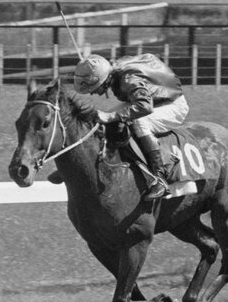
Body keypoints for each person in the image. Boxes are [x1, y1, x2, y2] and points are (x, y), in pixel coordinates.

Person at [54, 53, 188, 200]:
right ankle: (79, 163)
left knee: (139, 122)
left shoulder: (128, 79)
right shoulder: (113, 72)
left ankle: (160, 178)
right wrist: (110, 117)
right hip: (152, 100)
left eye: (92, 87)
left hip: (172, 105)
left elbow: (145, 107)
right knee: (102, 119)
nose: (92, 92)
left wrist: (112, 116)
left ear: (102, 79)